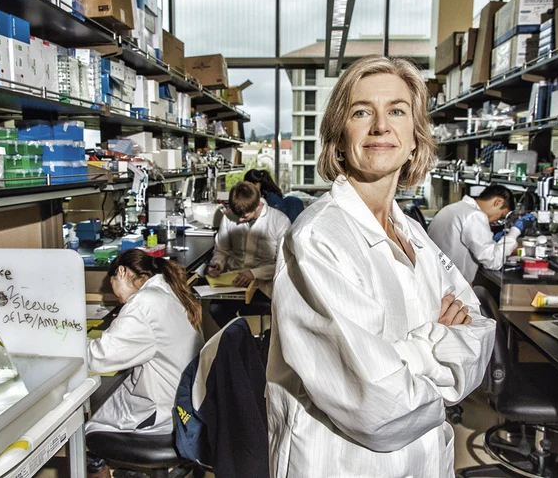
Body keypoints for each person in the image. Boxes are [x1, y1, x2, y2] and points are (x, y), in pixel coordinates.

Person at [266, 56, 496, 477]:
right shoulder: (317, 238)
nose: (380, 126)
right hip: (342, 463)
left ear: (414, 138)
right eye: (360, 112)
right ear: (339, 138)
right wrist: (438, 341)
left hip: (424, 458)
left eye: (396, 110)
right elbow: (377, 407)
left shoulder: (412, 232)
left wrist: (403, 358)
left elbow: (480, 332)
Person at [86, 249, 204, 436]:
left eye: (113, 285)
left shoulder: (143, 303)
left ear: (122, 272)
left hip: (162, 412)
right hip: (185, 402)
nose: (118, 298)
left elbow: (99, 357)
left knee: (84, 420)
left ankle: (97, 463)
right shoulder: (169, 290)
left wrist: (72, 343)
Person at [207, 181, 290, 327]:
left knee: (263, 312)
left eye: (244, 217)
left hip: (264, 284)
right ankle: (240, 340)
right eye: (237, 215)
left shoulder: (279, 221)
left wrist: (253, 273)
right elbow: (221, 249)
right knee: (216, 309)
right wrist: (217, 263)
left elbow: (283, 263)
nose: (239, 220)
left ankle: (250, 344)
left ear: (258, 205)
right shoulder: (229, 217)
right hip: (235, 281)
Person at [427, 184, 536, 283]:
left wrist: (494, 243)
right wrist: (514, 231)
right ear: (498, 202)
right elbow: (492, 261)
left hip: (436, 279)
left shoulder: (453, 208)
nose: (496, 221)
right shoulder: (475, 215)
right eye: (501, 215)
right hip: (450, 285)